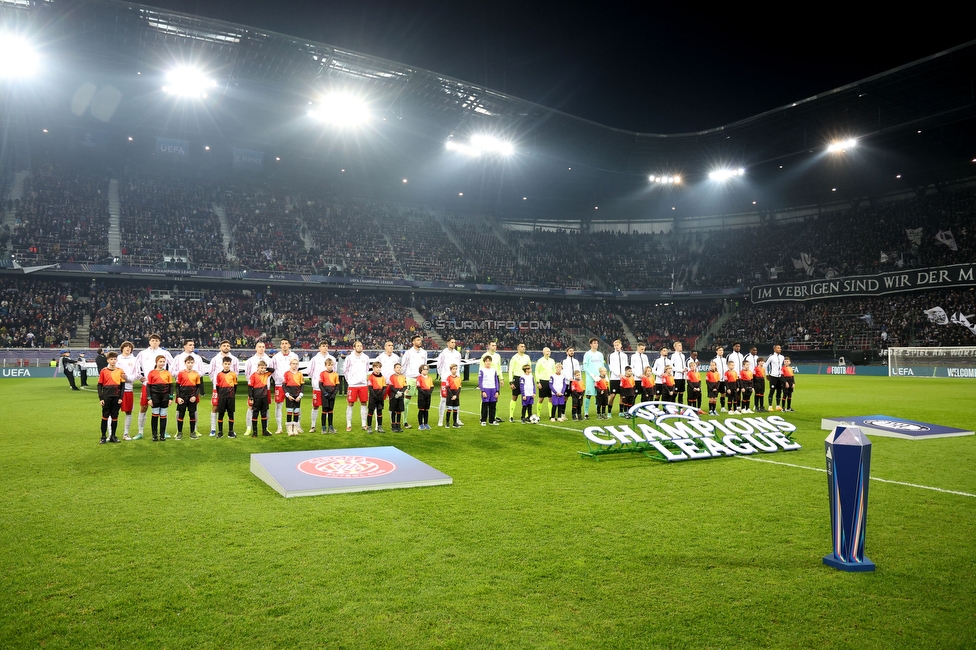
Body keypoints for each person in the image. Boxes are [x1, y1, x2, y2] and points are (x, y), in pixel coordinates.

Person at [136, 334, 174, 439]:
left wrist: (168, 374)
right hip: (147, 384)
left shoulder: (165, 353)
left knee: (163, 408)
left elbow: (173, 364)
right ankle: (140, 431)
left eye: (156, 340)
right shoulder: (143, 353)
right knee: (144, 407)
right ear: (149, 342)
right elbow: (136, 365)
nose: (154, 342)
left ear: (159, 342)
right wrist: (139, 376)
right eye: (152, 340)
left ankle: (164, 431)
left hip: (163, 386)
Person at [209, 340, 240, 437]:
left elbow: (237, 372)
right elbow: (211, 372)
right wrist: (217, 383)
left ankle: (231, 430)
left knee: (230, 411)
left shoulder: (234, 359)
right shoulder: (215, 359)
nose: (226, 347)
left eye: (227, 345)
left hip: (230, 389)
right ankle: (213, 429)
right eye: (224, 345)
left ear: (230, 347)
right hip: (218, 388)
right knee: (215, 407)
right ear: (220, 347)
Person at [243, 341, 273, 435]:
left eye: (263, 347)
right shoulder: (250, 360)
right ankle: (249, 428)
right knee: (251, 407)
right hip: (254, 389)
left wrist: (264, 370)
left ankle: (265, 428)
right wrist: (254, 383)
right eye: (259, 346)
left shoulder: (269, 360)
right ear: (256, 348)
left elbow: (271, 372)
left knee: (266, 409)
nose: (261, 348)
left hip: (265, 388)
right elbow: (247, 373)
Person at [306, 340, 336, 433]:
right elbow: (309, 371)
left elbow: (334, 372)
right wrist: (315, 380)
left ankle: (328, 426)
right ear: (319, 348)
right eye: (323, 346)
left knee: (327, 407)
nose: (325, 347)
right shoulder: (315, 359)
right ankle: (313, 425)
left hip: (329, 388)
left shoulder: (332, 358)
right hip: (318, 387)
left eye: (326, 346)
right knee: (315, 406)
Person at [271, 339, 299, 434]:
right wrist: (277, 379)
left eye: (286, 343)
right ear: (280, 345)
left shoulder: (294, 356)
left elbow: (296, 369)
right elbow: (272, 370)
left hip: (292, 385)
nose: (284, 345)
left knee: (296, 405)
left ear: (289, 345)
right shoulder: (276, 357)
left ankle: (296, 426)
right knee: (279, 405)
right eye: (282, 344)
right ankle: (279, 427)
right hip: (279, 384)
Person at [97, 351, 125, 444]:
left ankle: (113, 435)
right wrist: (101, 398)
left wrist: (121, 397)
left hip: (116, 397)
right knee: (105, 416)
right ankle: (103, 436)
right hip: (106, 397)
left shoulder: (120, 371)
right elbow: (99, 385)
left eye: (114, 359)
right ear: (108, 360)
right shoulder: (103, 371)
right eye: (111, 359)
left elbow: (122, 386)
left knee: (115, 416)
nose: (113, 361)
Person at [400, 334, 427, 429]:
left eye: (420, 340)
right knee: (406, 400)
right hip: (410, 379)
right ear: (413, 342)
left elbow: (425, 366)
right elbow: (403, 365)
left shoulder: (424, 352)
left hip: (421, 379)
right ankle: (405, 421)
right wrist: (403, 378)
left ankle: (423, 421)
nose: (420, 341)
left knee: (423, 401)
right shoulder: (408, 353)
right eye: (418, 340)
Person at [344, 340, 371, 432]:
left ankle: (364, 424)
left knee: (364, 403)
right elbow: (345, 370)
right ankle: (349, 424)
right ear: (354, 347)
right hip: (352, 385)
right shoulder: (349, 358)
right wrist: (350, 381)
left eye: (361, 345)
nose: (360, 347)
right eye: (358, 346)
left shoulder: (366, 357)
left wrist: (363, 378)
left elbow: (367, 369)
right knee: (350, 404)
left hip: (363, 384)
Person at [116, 341, 140, 440]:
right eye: (126, 346)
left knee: (128, 412)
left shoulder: (135, 360)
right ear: (122, 348)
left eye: (130, 347)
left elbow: (137, 374)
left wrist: (128, 378)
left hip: (128, 388)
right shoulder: (116, 359)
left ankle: (126, 434)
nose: (128, 348)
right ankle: (111, 434)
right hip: (116, 388)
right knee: (112, 412)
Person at [145, 355, 173, 441]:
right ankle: (154, 434)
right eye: (160, 361)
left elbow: (171, 386)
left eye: (163, 362)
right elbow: (148, 386)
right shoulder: (151, 373)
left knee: (163, 415)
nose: (162, 363)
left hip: (164, 396)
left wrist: (170, 398)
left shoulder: (167, 373)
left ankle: (162, 434)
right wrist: (149, 398)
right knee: (155, 415)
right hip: (155, 396)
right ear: (156, 362)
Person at [176, 355, 203, 439]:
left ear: (194, 363)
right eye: (188, 363)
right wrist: (179, 397)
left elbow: (198, 387)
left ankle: (192, 432)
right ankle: (179, 433)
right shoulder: (181, 373)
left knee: (192, 414)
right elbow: (177, 386)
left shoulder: (196, 374)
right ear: (185, 363)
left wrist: (195, 396)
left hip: (192, 397)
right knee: (181, 414)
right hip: (183, 396)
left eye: (191, 363)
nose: (190, 364)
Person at [436, 338, 462, 427]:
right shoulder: (443, 353)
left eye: (455, 342)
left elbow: (459, 366)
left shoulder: (457, 354)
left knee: (457, 399)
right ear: (447, 343)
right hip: (446, 380)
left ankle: (457, 419)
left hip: (455, 380)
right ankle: (440, 420)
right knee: (443, 400)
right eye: (452, 342)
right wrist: (443, 376)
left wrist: (457, 377)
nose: (454, 344)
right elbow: (439, 366)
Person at [508, 343, 532, 422]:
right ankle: (511, 416)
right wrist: (511, 382)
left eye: (524, 346)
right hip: (517, 378)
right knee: (514, 397)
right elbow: (511, 370)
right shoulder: (514, 358)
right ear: (518, 348)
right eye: (522, 346)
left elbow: (529, 369)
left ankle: (525, 416)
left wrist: (530, 379)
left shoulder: (527, 357)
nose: (523, 348)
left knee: (526, 397)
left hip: (526, 379)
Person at [582, 338, 605, 419]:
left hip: (599, 378)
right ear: (590, 344)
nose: (596, 344)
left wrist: (603, 376)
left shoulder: (600, 354)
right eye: (594, 343)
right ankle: (586, 413)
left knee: (598, 395)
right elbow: (585, 366)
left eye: (597, 343)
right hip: (591, 378)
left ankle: (598, 413)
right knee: (588, 395)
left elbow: (602, 366)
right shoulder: (587, 354)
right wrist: (592, 375)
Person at [215, 356, 238, 438]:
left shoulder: (233, 374)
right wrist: (221, 394)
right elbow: (217, 386)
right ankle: (220, 432)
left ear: (230, 364)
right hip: (222, 397)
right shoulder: (219, 375)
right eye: (225, 364)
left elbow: (235, 386)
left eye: (228, 364)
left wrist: (231, 394)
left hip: (230, 397)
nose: (227, 365)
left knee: (231, 414)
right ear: (222, 364)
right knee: (220, 414)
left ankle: (230, 431)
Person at [481, 341, 503, 423]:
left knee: (495, 398)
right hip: (486, 379)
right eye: (492, 345)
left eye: (495, 345)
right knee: (484, 399)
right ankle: (482, 418)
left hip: (495, 378)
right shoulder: (484, 356)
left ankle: (493, 417)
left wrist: (501, 378)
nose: (494, 347)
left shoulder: (498, 356)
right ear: (489, 346)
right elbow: (481, 368)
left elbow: (499, 368)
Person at [317, 358, 340, 434]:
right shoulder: (322, 373)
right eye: (328, 365)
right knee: (324, 410)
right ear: (325, 365)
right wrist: (325, 393)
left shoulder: (335, 374)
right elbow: (320, 385)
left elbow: (337, 385)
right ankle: (323, 427)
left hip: (332, 394)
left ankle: (331, 427)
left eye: (331, 365)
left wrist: (334, 394)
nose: (330, 366)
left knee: (330, 410)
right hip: (325, 395)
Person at [284, 357, 305, 436]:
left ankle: (295, 428)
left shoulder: (300, 374)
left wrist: (300, 396)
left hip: (297, 396)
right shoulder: (287, 374)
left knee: (296, 412)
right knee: (289, 412)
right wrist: (287, 395)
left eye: (296, 364)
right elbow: (284, 385)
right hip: (290, 395)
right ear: (290, 364)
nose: (295, 365)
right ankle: (289, 429)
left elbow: (302, 385)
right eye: (293, 364)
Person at [606, 339, 627, 416]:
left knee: (622, 395)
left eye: (617, 345)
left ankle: (621, 412)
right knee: (612, 395)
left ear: (621, 345)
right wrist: (619, 374)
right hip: (614, 378)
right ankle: (609, 412)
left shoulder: (624, 355)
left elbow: (626, 366)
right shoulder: (611, 355)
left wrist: (625, 374)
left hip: (623, 378)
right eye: (615, 345)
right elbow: (611, 367)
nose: (616, 347)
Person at [534, 347, 556, 419]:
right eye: (547, 351)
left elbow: (554, 371)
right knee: (541, 398)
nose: (548, 352)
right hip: (543, 381)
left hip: (550, 381)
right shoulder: (540, 361)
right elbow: (537, 372)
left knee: (551, 398)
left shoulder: (552, 361)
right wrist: (538, 382)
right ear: (543, 352)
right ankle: (538, 414)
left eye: (549, 351)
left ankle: (550, 415)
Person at [479, 354, 500, 426]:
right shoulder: (482, 370)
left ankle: (492, 420)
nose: (488, 362)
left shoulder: (494, 370)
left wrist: (497, 391)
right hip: (486, 389)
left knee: (493, 405)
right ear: (484, 362)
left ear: (491, 362)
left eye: (489, 361)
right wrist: (482, 391)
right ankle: (483, 420)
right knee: (485, 405)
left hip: (493, 389)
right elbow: (480, 381)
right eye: (486, 361)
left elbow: (496, 381)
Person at [366, 360, 386, 433]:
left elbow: (384, 387)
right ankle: (369, 427)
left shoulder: (382, 377)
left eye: (379, 367)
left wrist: (381, 396)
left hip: (380, 396)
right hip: (373, 396)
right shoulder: (370, 377)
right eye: (376, 367)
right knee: (370, 411)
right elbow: (370, 388)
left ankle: (380, 426)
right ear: (373, 368)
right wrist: (375, 396)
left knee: (379, 412)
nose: (378, 369)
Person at [765, 345, 785, 411]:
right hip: (773, 376)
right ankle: (770, 406)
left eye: (780, 348)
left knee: (779, 391)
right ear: (774, 349)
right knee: (772, 391)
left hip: (780, 377)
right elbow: (765, 365)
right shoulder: (771, 357)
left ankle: (778, 406)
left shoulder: (782, 357)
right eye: (778, 348)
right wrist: (767, 374)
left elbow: (782, 366)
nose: (780, 349)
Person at [388, 363, 407, 432]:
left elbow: (405, 386)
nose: (399, 369)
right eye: (397, 367)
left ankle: (398, 425)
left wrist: (401, 392)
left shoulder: (402, 376)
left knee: (399, 410)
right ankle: (393, 425)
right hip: (394, 395)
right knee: (393, 410)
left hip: (400, 395)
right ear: (394, 369)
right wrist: (397, 392)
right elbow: (391, 386)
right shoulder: (392, 377)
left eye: (399, 367)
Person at [416, 364, 434, 430]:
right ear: (421, 370)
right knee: (421, 409)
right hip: (422, 395)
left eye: (427, 369)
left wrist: (429, 392)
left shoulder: (429, 378)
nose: (426, 371)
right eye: (424, 369)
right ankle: (420, 424)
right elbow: (418, 387)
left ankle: (426, 423)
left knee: (426, 410)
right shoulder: (419, 377)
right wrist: (424, 393)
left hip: (428, 394)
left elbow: (432, 386)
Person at [712, 346, 729, 412]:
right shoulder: (714, 360)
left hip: (723, 380)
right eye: (719, 350)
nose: (721, 351)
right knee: (715, 394)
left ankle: (722, 407)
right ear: (716, 351)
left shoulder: (724, 359)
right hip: (717, 380)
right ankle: (714, 407)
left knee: (723, 393)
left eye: (722, 350)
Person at [445, 364, 462, 428]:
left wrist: (456, 395)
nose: (455, 370)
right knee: (449, 409)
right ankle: (447, 422)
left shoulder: (458, 378)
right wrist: (452, 395)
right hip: (450, 395)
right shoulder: (448, 378)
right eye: (453, 369)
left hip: (456, 394)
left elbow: (459, 388)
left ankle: (455, 423)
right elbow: (447, 388)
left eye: (456, 369)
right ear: (450, 370)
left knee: (455, 409)